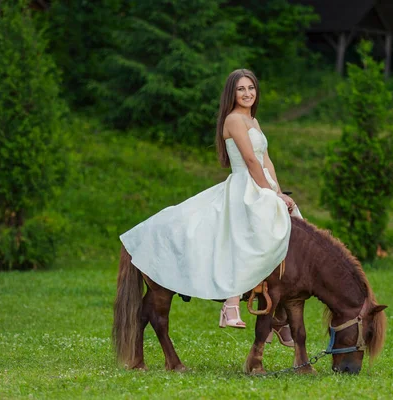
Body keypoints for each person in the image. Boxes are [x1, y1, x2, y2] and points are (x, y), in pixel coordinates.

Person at [119, 69, 300, 335]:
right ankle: (231, 302)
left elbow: (266, 160)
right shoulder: (234, 120)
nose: (247, 93)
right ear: (232, 93)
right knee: (249, 234)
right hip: (244, 185)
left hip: (261, 184)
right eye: (241, 89)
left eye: (251, 88)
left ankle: (276, 309)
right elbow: (250, 160)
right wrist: (269, 193)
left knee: (292, 224)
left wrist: (278, 190)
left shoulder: (253, 121)